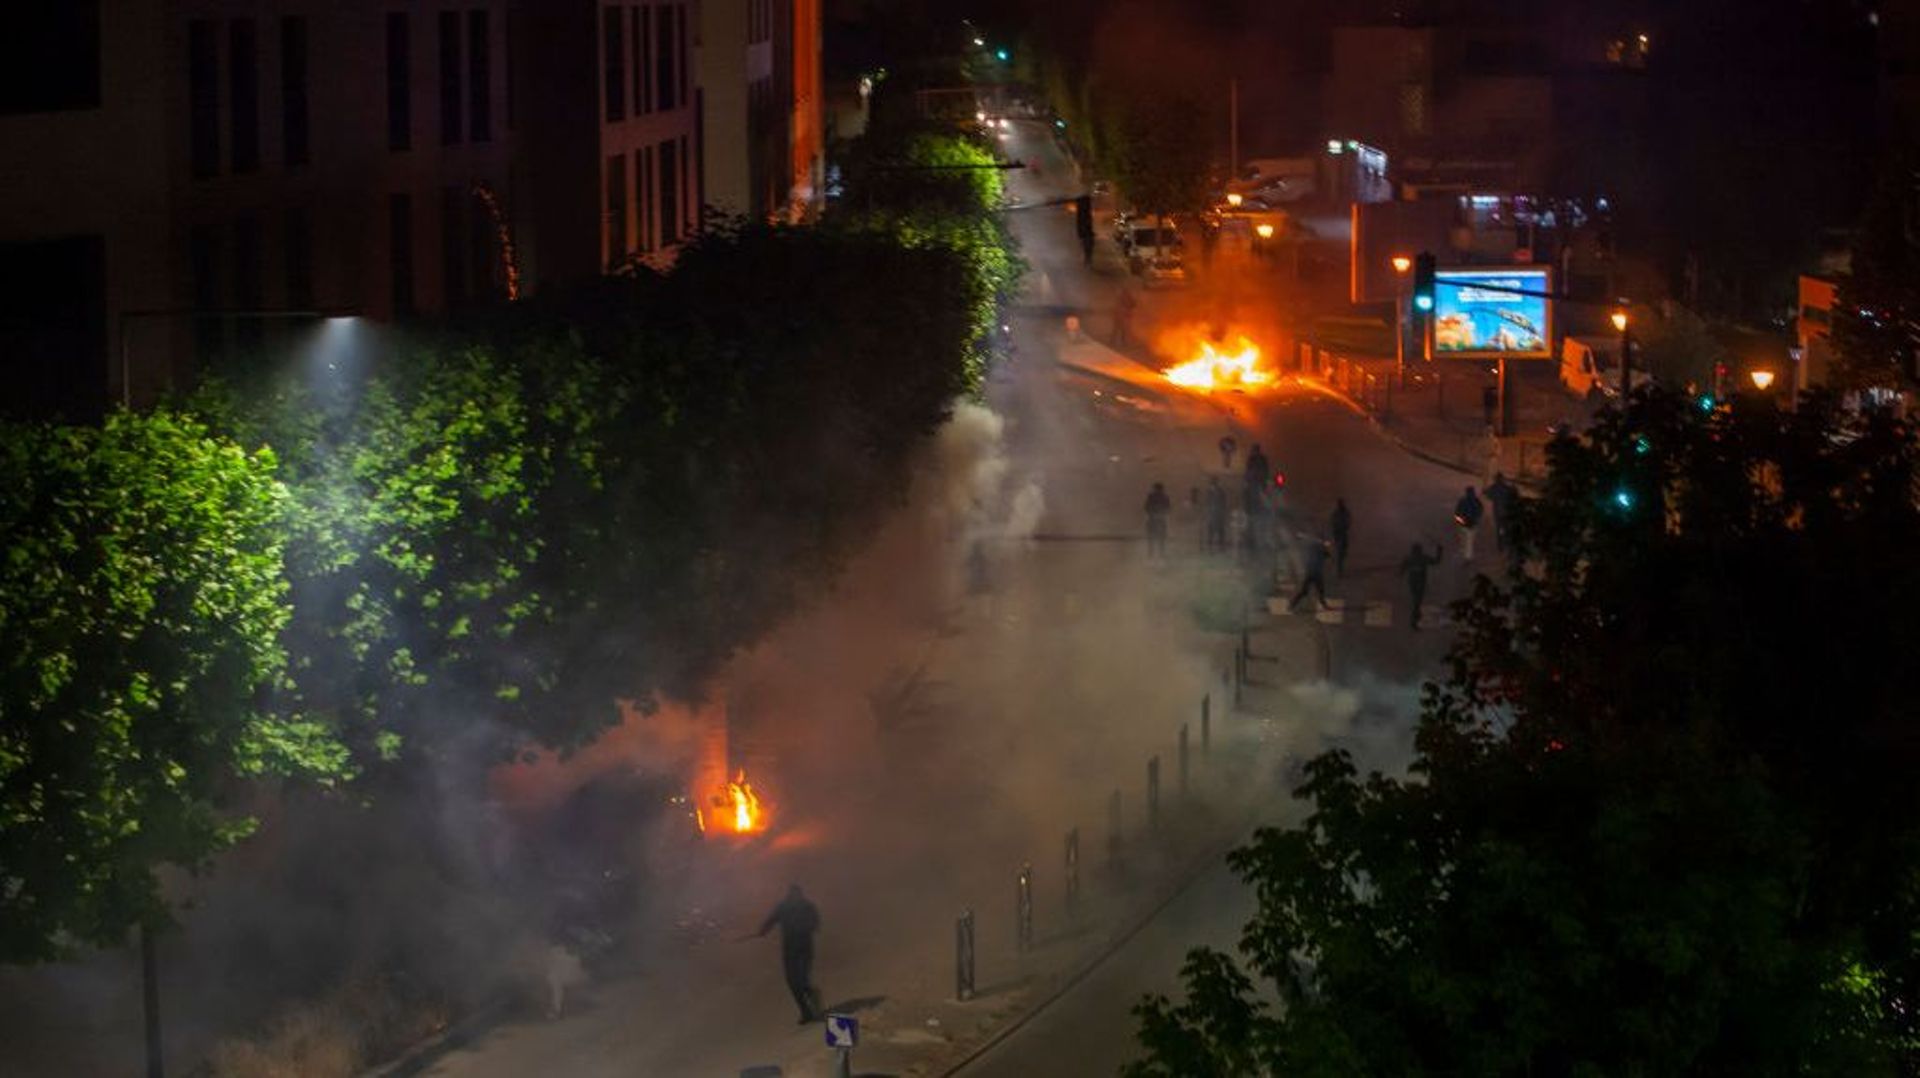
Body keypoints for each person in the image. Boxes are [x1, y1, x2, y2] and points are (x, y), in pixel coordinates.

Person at [757, 884, 823, 1024]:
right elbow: (771, 919)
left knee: (802, 979)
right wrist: (763, 930)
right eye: (792, 895)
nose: (795, 898)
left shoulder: (807, 906)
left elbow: (816, 923)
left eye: (796, 895)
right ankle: (806, 1011)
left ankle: (812, 999)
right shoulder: (784, 907)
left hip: (804, 947)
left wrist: (807, 927)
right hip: (790, 948)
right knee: (792, 981)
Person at [1399, 541, 1444, 629]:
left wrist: (1401, 572)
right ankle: (1414, 620)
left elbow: (1402, 569)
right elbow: (1436, 561)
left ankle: (1416, 615)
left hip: (1412, 582)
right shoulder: (1423, 558)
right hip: (1420, 582)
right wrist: (1440, 551)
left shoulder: (1409, 558)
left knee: (1416, 599)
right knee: (1417, 601)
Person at [1287, 537, 1332, 613]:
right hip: (1315, 573)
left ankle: (1292, 605)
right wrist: (1327, 547)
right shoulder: (1320, 548)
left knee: (1312, 590)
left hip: (1310, 572)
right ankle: (1291, 605)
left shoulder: (1315, 547)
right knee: (1313, 590)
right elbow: (1328, 556)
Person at [1485, 472, 1517, 552]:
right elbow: (1513, 495)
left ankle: (1501, 545)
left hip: (1498, 514)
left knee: (1499, 529)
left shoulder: (1494, 488)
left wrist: (1485, 491)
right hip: (1506, 513)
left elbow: (1489, 496)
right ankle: (1506, 542)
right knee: (1506, 528)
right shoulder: (1506, 488)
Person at [1453, 485, 1484, 561]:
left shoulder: (1462, 501)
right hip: (1473, 525)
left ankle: (1464, 552)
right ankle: (1468, 556)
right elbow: (1480, 512)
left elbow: (1457, 512)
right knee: (1469, 541)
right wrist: (1476, 520)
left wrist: (1459, 521)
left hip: (1463, 525)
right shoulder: (1477, 502)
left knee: (1463, 539)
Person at [1144, 482, 1172, 558]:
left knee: (1155, 537)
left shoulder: (1153, 496)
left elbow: (1146, 507)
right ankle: (1156, 553)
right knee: (1157, 537)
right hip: (1157, 518)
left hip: (1155, 518)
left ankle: (1154, 553)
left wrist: (1153, 513)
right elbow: (1168, 508)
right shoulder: (1163, 497)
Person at [1204, 477, 1229, 552]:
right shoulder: (1210, 492)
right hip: (1213, 513)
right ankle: (1212, 546)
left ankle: (1220, 546)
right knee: (1212, 530)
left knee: (1220, 530)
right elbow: (1207, 502)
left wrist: (1223, 511)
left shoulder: (1221, 492)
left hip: (1218, 513)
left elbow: (1224, 503)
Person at [1329, 498, 1352, 577]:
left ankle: (1339, 568)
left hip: (1341, 533)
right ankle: (1339, 569)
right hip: (1339, 533)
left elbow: (1348, 521)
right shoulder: (1338, 513)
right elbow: (1333, 522)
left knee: (1343, 551)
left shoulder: (1343, 512)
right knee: (1340, 551)